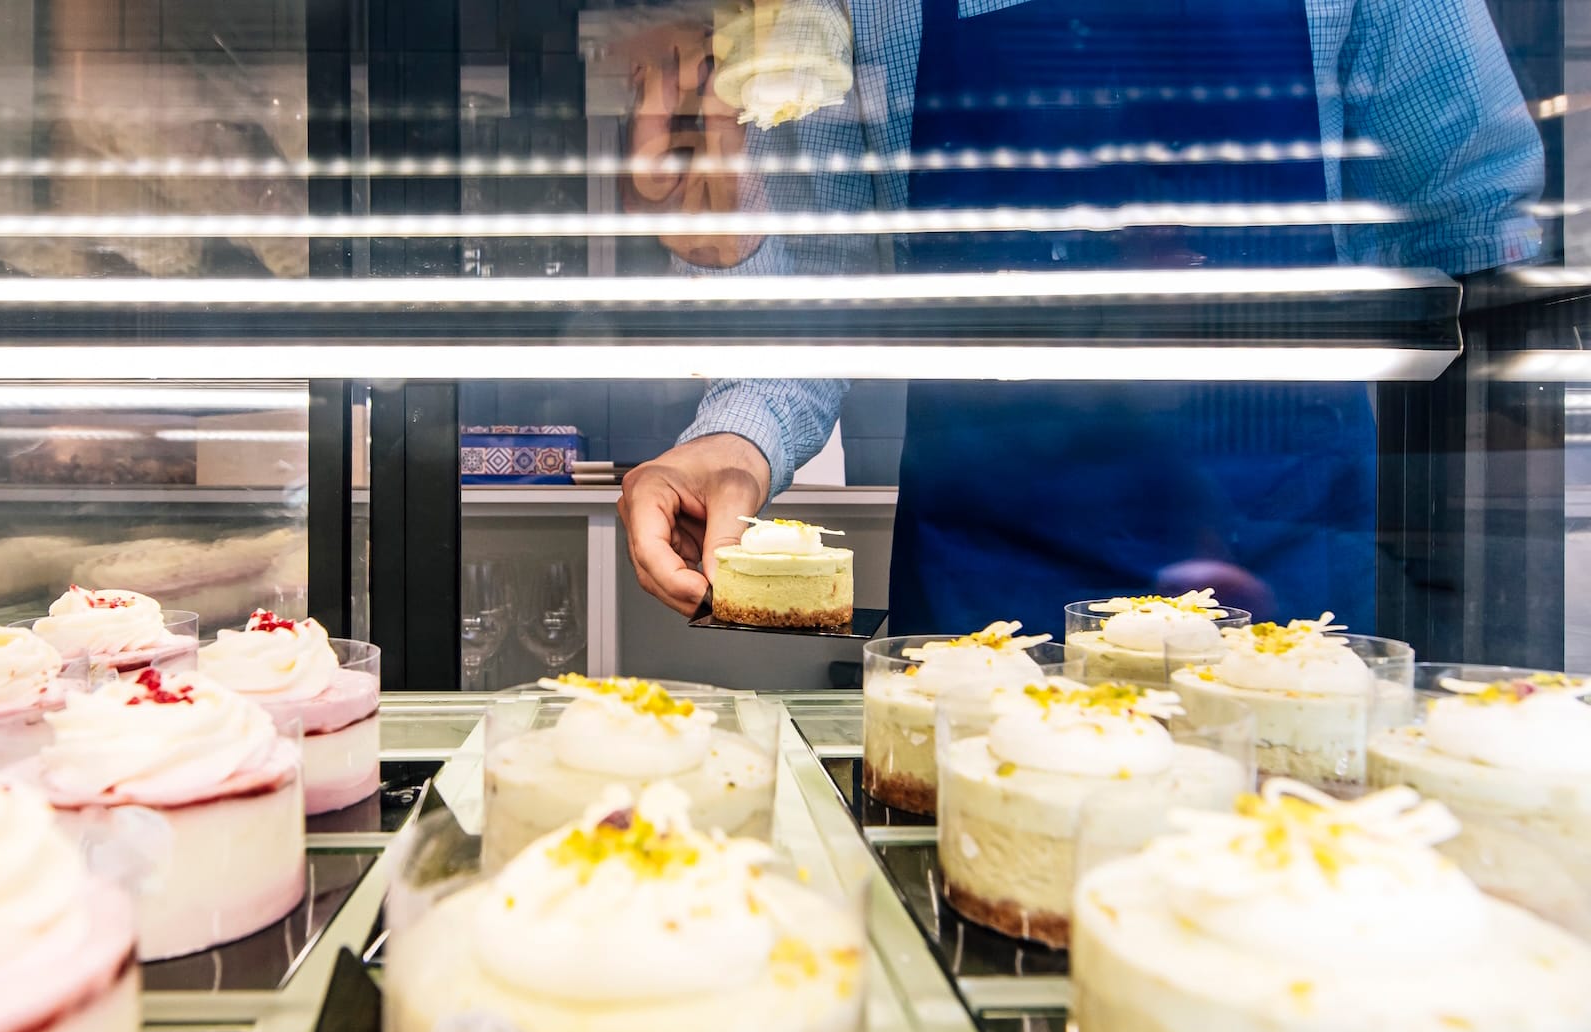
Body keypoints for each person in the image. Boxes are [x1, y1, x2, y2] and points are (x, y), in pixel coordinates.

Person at [619, 0, 1542, 637]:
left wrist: (1479, 592)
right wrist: (733, 443)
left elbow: (1477, 238)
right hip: (985, 634)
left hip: (1288, 621)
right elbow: (818, 303)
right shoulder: (868, 9)